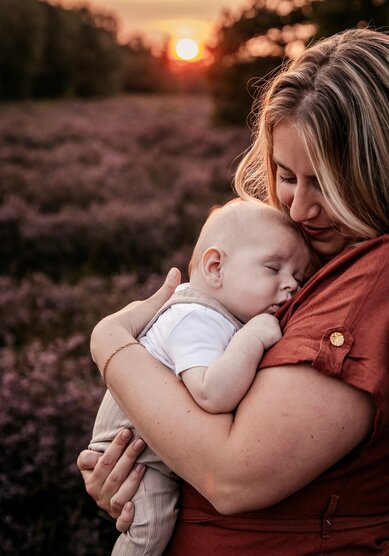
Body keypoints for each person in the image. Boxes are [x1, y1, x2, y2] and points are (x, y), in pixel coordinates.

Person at [78, 27, 389, 554]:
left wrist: (110, 343)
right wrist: (141, 471)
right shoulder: (314, 260)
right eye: (285, 175)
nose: (297, 208)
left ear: (381, 169)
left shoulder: (381, 272)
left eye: (324, 181)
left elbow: (233, 476)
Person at [89, 198, 310, 555]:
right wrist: (252, 338)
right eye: (273, 268)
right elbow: (211, 394)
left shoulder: (218, 314)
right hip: (134, 451)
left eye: (299, 277)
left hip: (158, 443)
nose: (291, 286)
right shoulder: (196, 318)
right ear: (215, 266)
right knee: (149, 529)